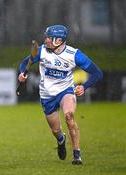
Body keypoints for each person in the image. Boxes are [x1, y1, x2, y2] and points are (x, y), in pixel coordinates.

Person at [18, 25, 103, 165]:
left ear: (59, 40)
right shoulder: (41, 51)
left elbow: (97, 73)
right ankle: (61, 140)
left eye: (49, 38)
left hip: (66, 91)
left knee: (69, 116)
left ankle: (77, 155)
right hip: (47, 94)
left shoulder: (74, 55)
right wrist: (22, 73)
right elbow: (25, 63)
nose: (45, 40)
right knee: (56, 130)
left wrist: (84, 86)